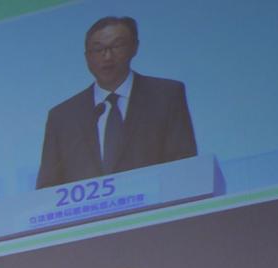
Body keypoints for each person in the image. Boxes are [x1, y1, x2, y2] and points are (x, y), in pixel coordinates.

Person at [36, 16, 196, 189]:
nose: (107, 56)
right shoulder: (63, 117)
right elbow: (48, 188)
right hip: (89, 215)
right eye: (98, 50)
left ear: (134, 47)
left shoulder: (166, 95)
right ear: (87, 57)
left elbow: (183, 165)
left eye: (116, 46)